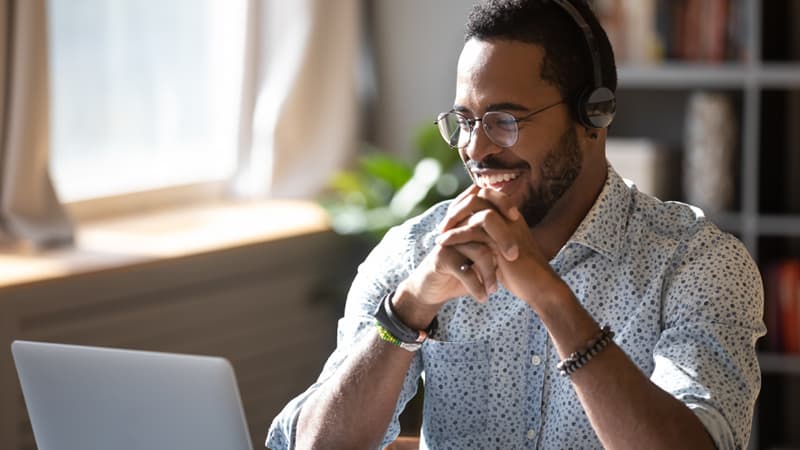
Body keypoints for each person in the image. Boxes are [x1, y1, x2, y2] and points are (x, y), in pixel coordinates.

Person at [267, 0, 765, 448]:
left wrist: (551, 298)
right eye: (464, 121)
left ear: (594, 115)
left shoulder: (698, 264)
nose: (476, 150)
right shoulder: (415, 253)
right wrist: (409, 309)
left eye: (504, 120)